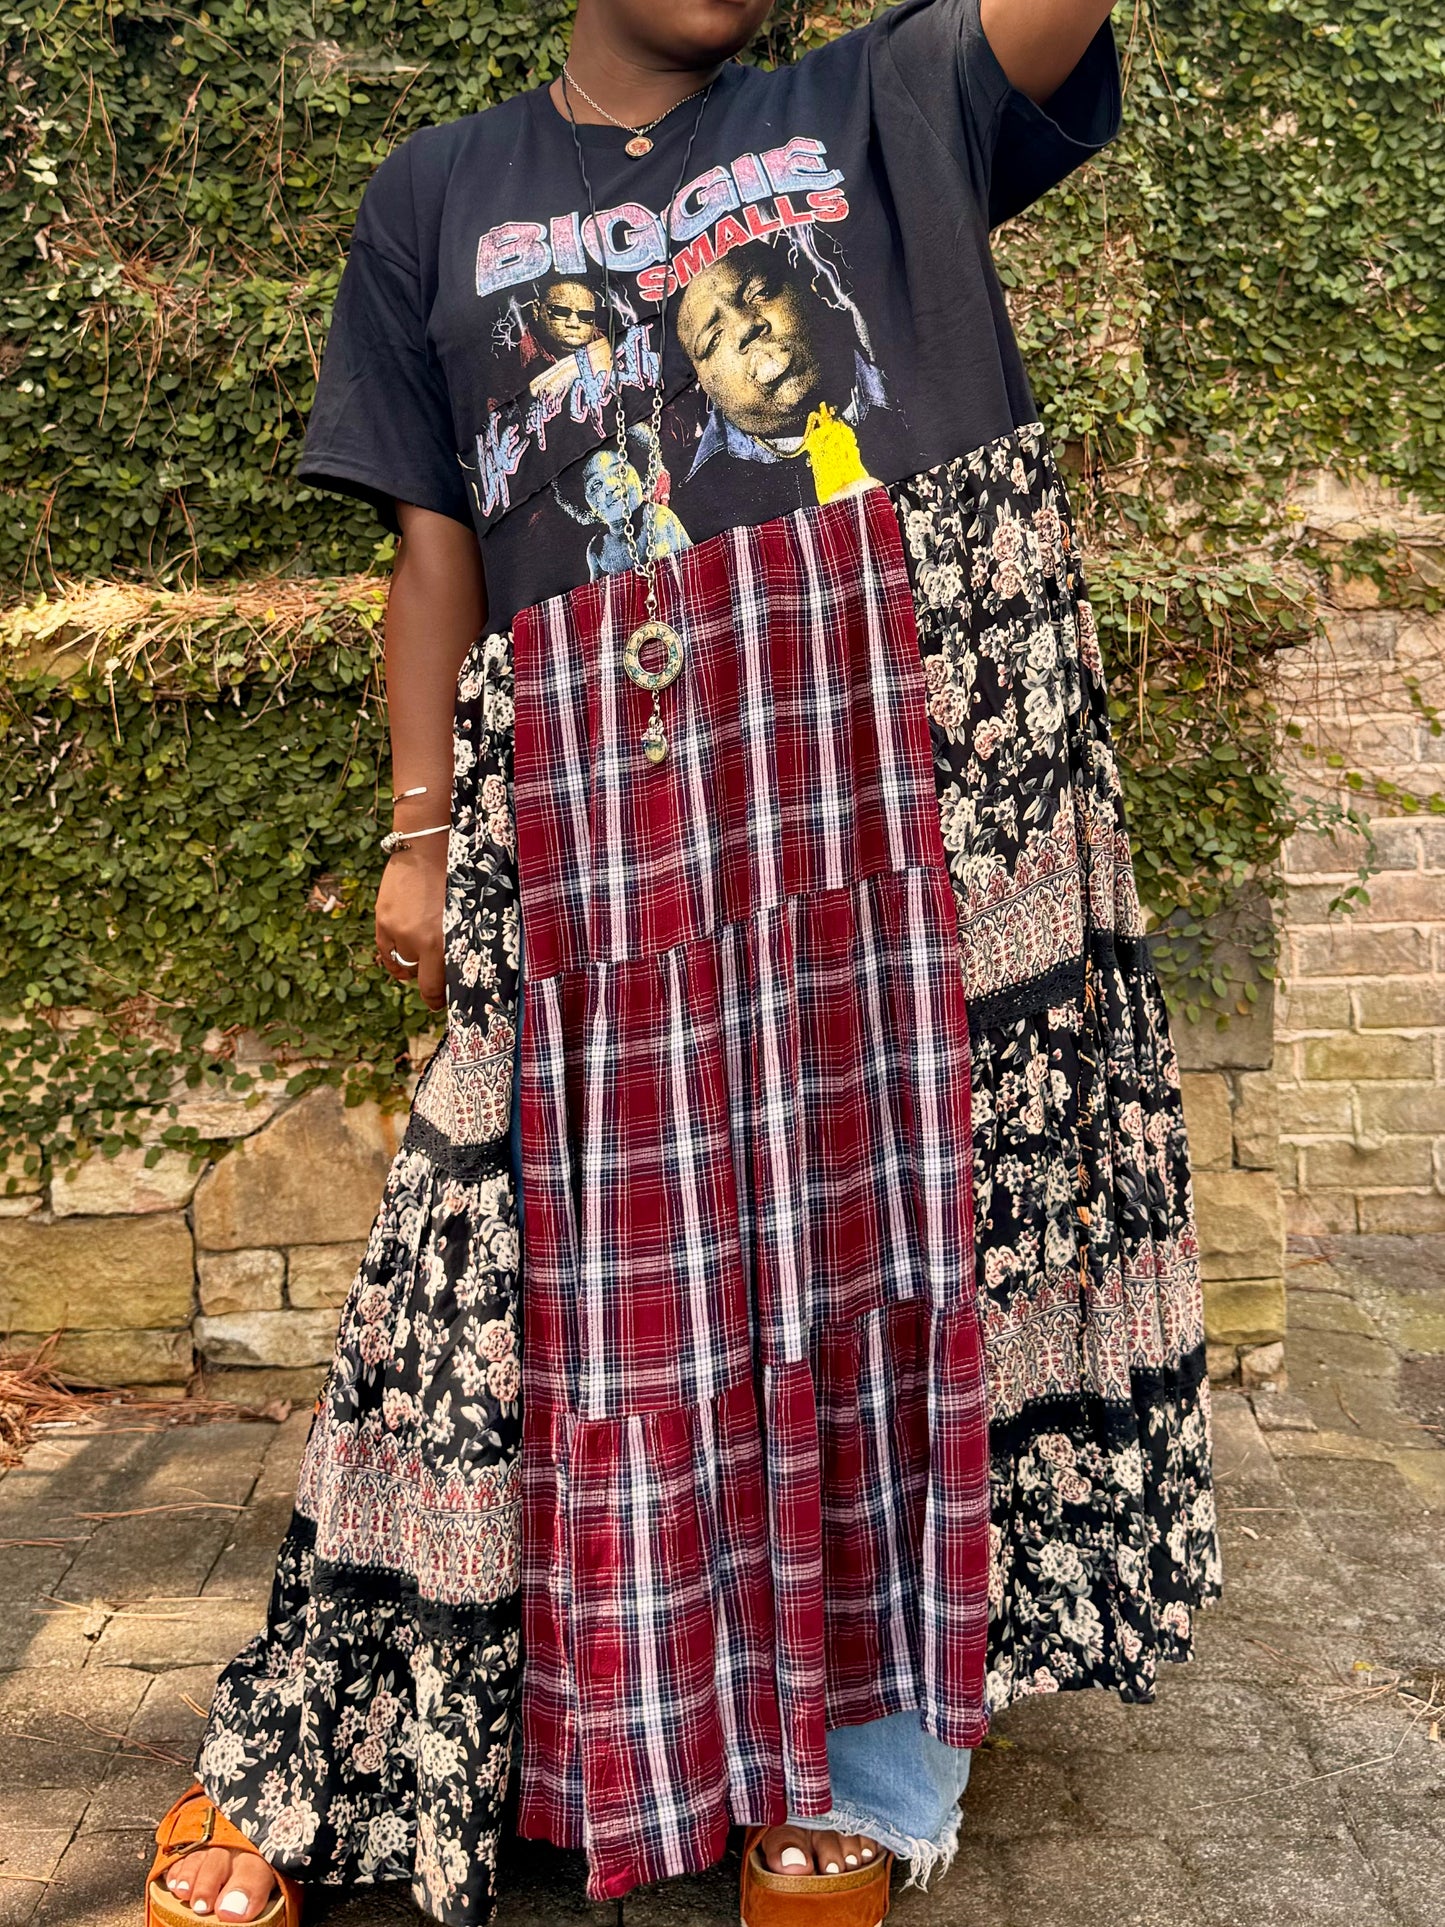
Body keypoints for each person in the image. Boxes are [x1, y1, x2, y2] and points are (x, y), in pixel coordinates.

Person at [144, 4, 1222, 1926]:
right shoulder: (435, 192)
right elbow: (435, 545)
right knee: (538, 1279)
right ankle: (479, 1735)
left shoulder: (876, 97)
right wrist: (418, 829)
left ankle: (866, 1772)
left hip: (897, 783)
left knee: (889, 1246)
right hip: (599, 798)